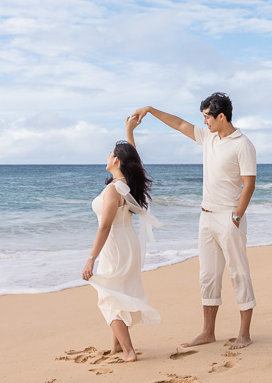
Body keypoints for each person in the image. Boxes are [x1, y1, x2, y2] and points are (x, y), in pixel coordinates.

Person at [132, 92, 256, 350]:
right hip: (206, 217)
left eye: (207, 117)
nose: (205, 122)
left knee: (238, 274)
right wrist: (151, 110)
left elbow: (249, 184)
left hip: (229, 219)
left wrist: (236, 216)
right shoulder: (208, 137)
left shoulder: (243, 144)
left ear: (221, 116)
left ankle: (244, 334)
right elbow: (179, 125)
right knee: (208, 276)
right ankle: (208, 332)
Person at [82, 115, 162, 362]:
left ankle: (128, 352)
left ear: (116, 160)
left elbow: (104, 227)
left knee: (108, 297)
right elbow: (134, 159)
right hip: (129, 243)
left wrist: (90, 259)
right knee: (116, 292)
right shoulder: (129, 186)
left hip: (114, 245)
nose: (107, 157)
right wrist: (129, 131)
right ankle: (116, 346)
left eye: (110, 154)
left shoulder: (113, 190)